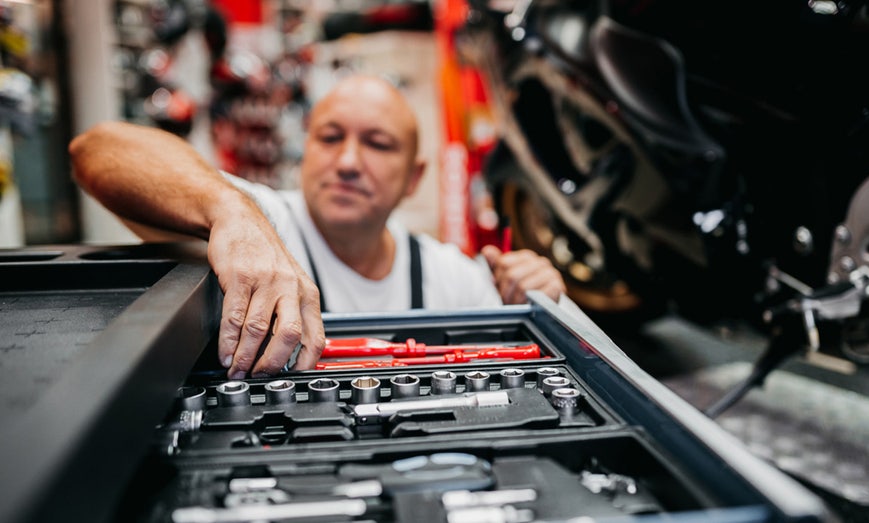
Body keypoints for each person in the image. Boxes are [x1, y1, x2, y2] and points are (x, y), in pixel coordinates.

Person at [69, 74, 566, 379]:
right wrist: (229, 212)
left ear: (414, 177)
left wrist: (536, 292)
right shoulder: (263, 219)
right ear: (305, 153)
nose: (348, 162)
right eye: (330, 137)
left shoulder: (451, 276)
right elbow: (96, 150)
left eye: (377, 143)